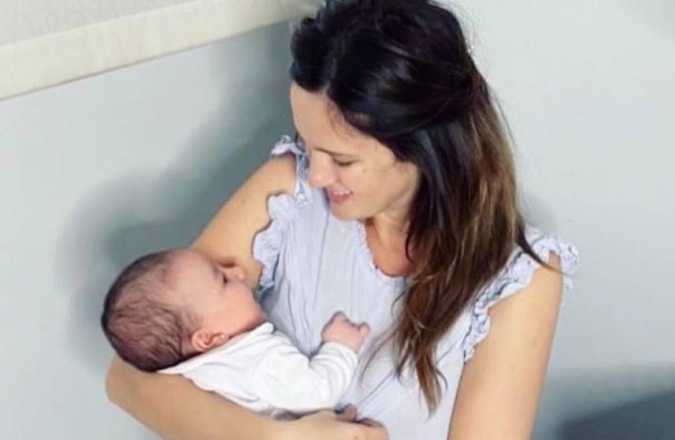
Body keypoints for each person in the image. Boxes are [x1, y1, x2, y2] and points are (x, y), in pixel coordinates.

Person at [104, 1, 580, 438]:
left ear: (424, 147)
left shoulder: (518, 281)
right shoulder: (287, 190)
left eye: (342, 160)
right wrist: (280, 438)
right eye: (307, 144)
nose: (315, 175)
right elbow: (129, 379)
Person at [100, 248, 369, 419]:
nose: (238, 271)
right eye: (224, 280)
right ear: (209, 338)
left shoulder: (196, 370)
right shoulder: (257, 362)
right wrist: (339, 348)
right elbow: (318, 393)